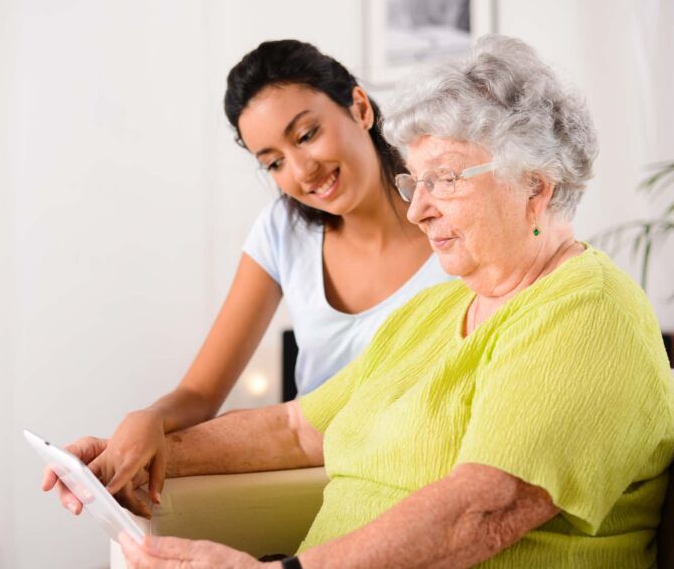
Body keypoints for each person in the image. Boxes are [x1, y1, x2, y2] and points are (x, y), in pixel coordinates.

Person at [107, 35, 674, 568]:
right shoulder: (433, 312)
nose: (419, 209)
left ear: (535, 186)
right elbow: (297, 430)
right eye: (416, 184)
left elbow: (483, 511)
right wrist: (130, 454)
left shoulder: (588, 311)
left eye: (445, 180)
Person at [42, 40, 450, 516]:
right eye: (273, 162)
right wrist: (147, 422)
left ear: (359, 107)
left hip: (418, 475)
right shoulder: (283, 231)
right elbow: (200, 392)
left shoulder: (453, 215)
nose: (302, 170)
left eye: (306, 134)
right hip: (313, 479)